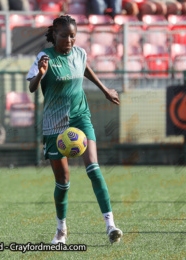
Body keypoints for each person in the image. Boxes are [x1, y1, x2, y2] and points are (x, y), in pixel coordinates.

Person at [27, 15, 123, 245]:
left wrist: (104, 89)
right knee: (63, 181)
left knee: (94, 168)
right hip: (54, 124)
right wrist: (40, 74)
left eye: (72, 35)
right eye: (64, 35)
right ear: (54, 35)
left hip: (80, 117)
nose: (69, 40)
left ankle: (110, 225)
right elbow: (31, 88)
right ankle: (61, 230)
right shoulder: (44, 57)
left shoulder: (79, 53)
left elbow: (84, 68)